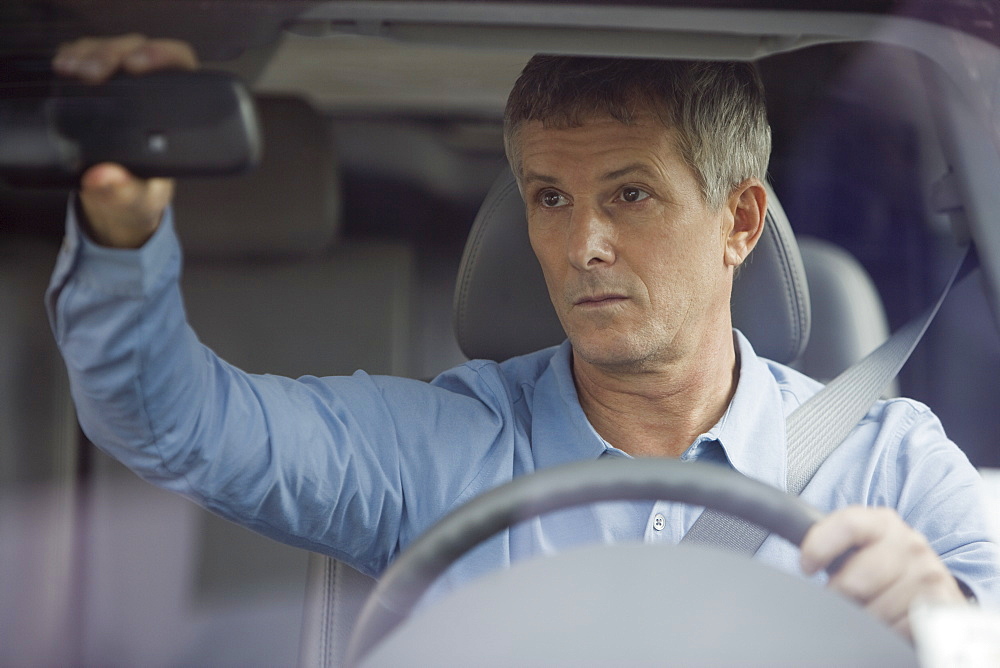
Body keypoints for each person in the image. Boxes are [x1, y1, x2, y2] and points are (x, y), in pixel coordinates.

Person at [49, 35, 998, 639]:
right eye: (551, 197)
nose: (582, 244)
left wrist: (942, 621)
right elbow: (168, 423)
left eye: (629, 194)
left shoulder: (885, 467)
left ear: (740, 223)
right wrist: (123, 231)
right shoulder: (438, 449)